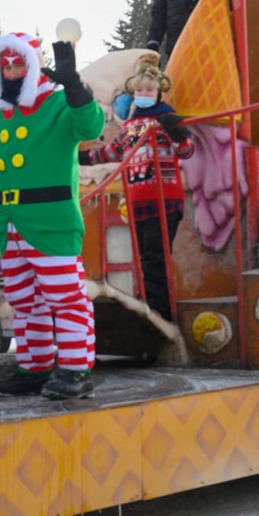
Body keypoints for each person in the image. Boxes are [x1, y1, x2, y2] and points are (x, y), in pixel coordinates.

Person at [0, 29, 105, 399]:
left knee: (66, 298)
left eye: (17, 64)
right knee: (25, 303)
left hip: (52, 222)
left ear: (33, 65)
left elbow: (91, 127)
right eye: (4, 65)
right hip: (11, 225)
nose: (11, 71)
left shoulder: (58, 105)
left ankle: (75, 370)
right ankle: (34, 368)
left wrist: (74, 86)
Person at [79, 55, 193, 322]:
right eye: (140, 90)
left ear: (158, 92)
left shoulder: (166, 118)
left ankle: (161, 312)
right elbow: (109, 153)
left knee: (156, 255)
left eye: (149, 90)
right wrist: (79, 158)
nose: (144, 94)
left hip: (164, 197)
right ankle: (153, 309)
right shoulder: (130, 126)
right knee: (144, 256)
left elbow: (186, 151)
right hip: (138, 200)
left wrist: (178, 135)